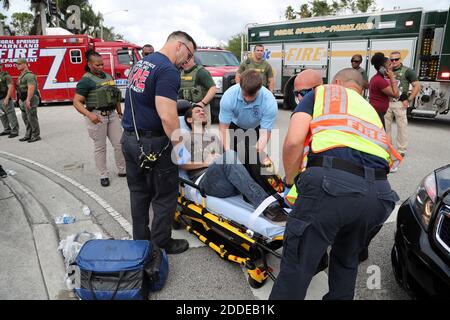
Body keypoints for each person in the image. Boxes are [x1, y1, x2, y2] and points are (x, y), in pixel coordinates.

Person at [270, 68, 401, 300]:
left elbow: (293, 142)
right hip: (379, 195)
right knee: (346, 261)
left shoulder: (324, 93)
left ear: (336, 82)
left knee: (297, 267)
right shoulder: (370, 111)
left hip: (332, 186)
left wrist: (291, 182)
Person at [121, 31, 196, 254]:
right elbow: (167, 116)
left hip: (130, 138)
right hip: (153, 144)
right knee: (164, 196)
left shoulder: (142, 63)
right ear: (180, 46)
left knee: (138, 193)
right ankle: (161, 242)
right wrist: (179, 147)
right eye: (189, 54)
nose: (188, 61)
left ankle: (141, 241)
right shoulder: (168, 71)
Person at [181, 105, 286, 222]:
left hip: (227, 180)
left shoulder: (214, 137)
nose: (202, 112)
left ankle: (278, 192)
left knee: (251, 150)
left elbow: (229, 160)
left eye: (203, 110)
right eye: (197, 111)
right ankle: (267, 206)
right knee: (230, 154)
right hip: (206, 181)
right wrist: (205, 163)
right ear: (189, 120)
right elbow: (181, 164)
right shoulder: (184, 138)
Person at [73, 50, 126, 187]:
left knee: (120, 144)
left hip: (112, 115)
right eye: (97, 65)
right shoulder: (85, 81)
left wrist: (120, 113)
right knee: (100, 148)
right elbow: (76, 102)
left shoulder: (108, 76)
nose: (100, 67)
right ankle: (103, 175)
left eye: (102, 64)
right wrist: (89, 115)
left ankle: (122, 169)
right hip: (96, 116)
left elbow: (116, 96)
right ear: (89, 64)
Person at [385, 51, 421, 157]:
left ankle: (401, 150)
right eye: (392, 60)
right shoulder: (387, 71)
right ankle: (387, 148)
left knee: (402, 128)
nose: (394, 61)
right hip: (387, 102)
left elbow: (417, 86)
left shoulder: (407, 71)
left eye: (396, 59)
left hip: (399, 103)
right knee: (386, 127)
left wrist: (409, 99)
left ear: (400, 59)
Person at [179, 55, 217, 125]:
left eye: (187, 59)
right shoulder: (180, 72)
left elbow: (213, 88)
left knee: (201, 132)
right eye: (182, 59)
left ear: (193, 58)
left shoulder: (201, 72)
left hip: (200, 108)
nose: (184, 62)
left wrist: (202, 103)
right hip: (186, 108)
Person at [369, 53, 399, 128]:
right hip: (378, 112)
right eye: (389, 65)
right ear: (382, 68)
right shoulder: (379, 80)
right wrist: (392, 77)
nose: (392, 66)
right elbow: (396, 94)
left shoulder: (377, 78)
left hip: (378, 112)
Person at [16, 58, 41, 143]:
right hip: (23, 99)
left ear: (25, 64)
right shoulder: (21, 75)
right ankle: (28, 134)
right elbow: (20, 89)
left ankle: (36, 135)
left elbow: (31, 88)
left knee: (32, 118)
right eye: (17, 64)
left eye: (19, 64)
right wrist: (19, 99)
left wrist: (28, 100)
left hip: (30, 99)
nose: (17, 65)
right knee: (25, 118)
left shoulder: (29, 75)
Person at [0, 64, 19, 138]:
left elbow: (11, 87)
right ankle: (7, 129)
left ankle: (15, 130)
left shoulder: (6, 76)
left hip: (5, 98)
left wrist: (7, 98)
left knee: (10, 114)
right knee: (2, 115)